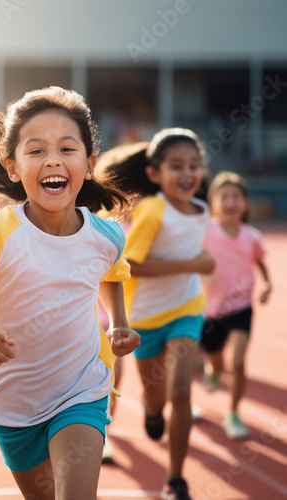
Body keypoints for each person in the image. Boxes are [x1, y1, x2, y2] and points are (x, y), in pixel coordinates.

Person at [0, 86, 140, 500]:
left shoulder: (107, 235)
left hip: (82, 391)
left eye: (67, 148)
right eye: (36, 150)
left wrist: (119, 323)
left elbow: (113, 272)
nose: (53, 160)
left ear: (89, 164)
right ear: (12, 167)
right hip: (12, 404)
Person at [103, 129, 215, 500]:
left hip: (187, 311)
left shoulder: (201, 209)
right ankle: (153, 412)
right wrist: (192, 263)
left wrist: (196, 267)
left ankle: (176, 479)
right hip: (145, 318)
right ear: (154, 174)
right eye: (176, 165)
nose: (187, 173)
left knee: (182, 390)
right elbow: (130, 264)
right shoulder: (152, 210)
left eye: (193, 165)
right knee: (157, 399)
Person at [200, 171, 271, 439]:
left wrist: (266, 284)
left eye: (235, 197)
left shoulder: (251, 235)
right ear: (214, 202)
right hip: (211, 310)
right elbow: (192, 258)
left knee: (239, 361)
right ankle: (213, 370)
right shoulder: (206, 231)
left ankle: (233, 413)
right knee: (216, 360)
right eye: (224, 196)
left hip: (242, 307)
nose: (230, 202)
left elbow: (261, 261)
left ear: (245, 203)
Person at [94, 141, 148, 463]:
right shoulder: (103, 218)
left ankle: (101, 435)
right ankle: (96, 436)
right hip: (92, 313)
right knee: (103, 378)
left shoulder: (148, 216)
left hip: (123, 314)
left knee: (115, 378)